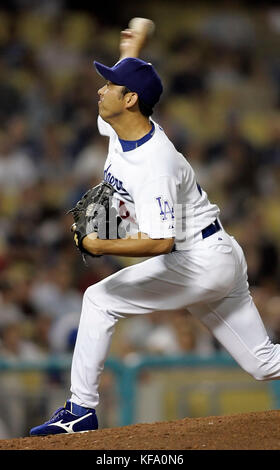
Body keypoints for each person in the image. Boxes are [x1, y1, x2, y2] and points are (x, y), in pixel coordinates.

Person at [30, 21, 280, 436]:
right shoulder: (121, 123)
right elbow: (129, 79)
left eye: (110, 85)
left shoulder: (155, 163)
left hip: (198, 260)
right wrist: (134, 45)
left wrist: (100, 244)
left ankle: (80, 410)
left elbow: (161, 241)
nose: (99, 89)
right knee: (263, 363)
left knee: (97, 299)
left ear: (130, 100)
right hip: (214, 254)